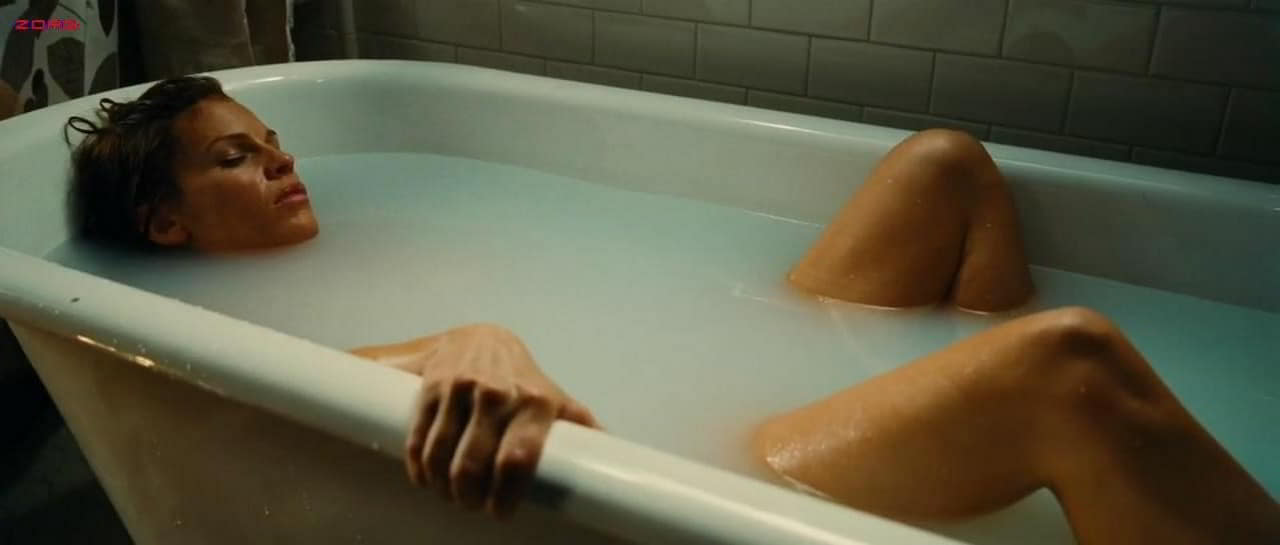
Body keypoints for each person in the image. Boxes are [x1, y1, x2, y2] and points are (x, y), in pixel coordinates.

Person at [65, 76, 1278, 542]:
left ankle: (1039, 455)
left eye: (275, 138)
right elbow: (251, 385)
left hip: (766, 341)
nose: (283, 159)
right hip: (733, 458)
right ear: (166, 227)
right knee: (1068, 364)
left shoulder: (402, 217)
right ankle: (1056, 438)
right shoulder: (192, 311)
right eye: (235, 158)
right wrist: (470, 335)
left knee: (945, 162)